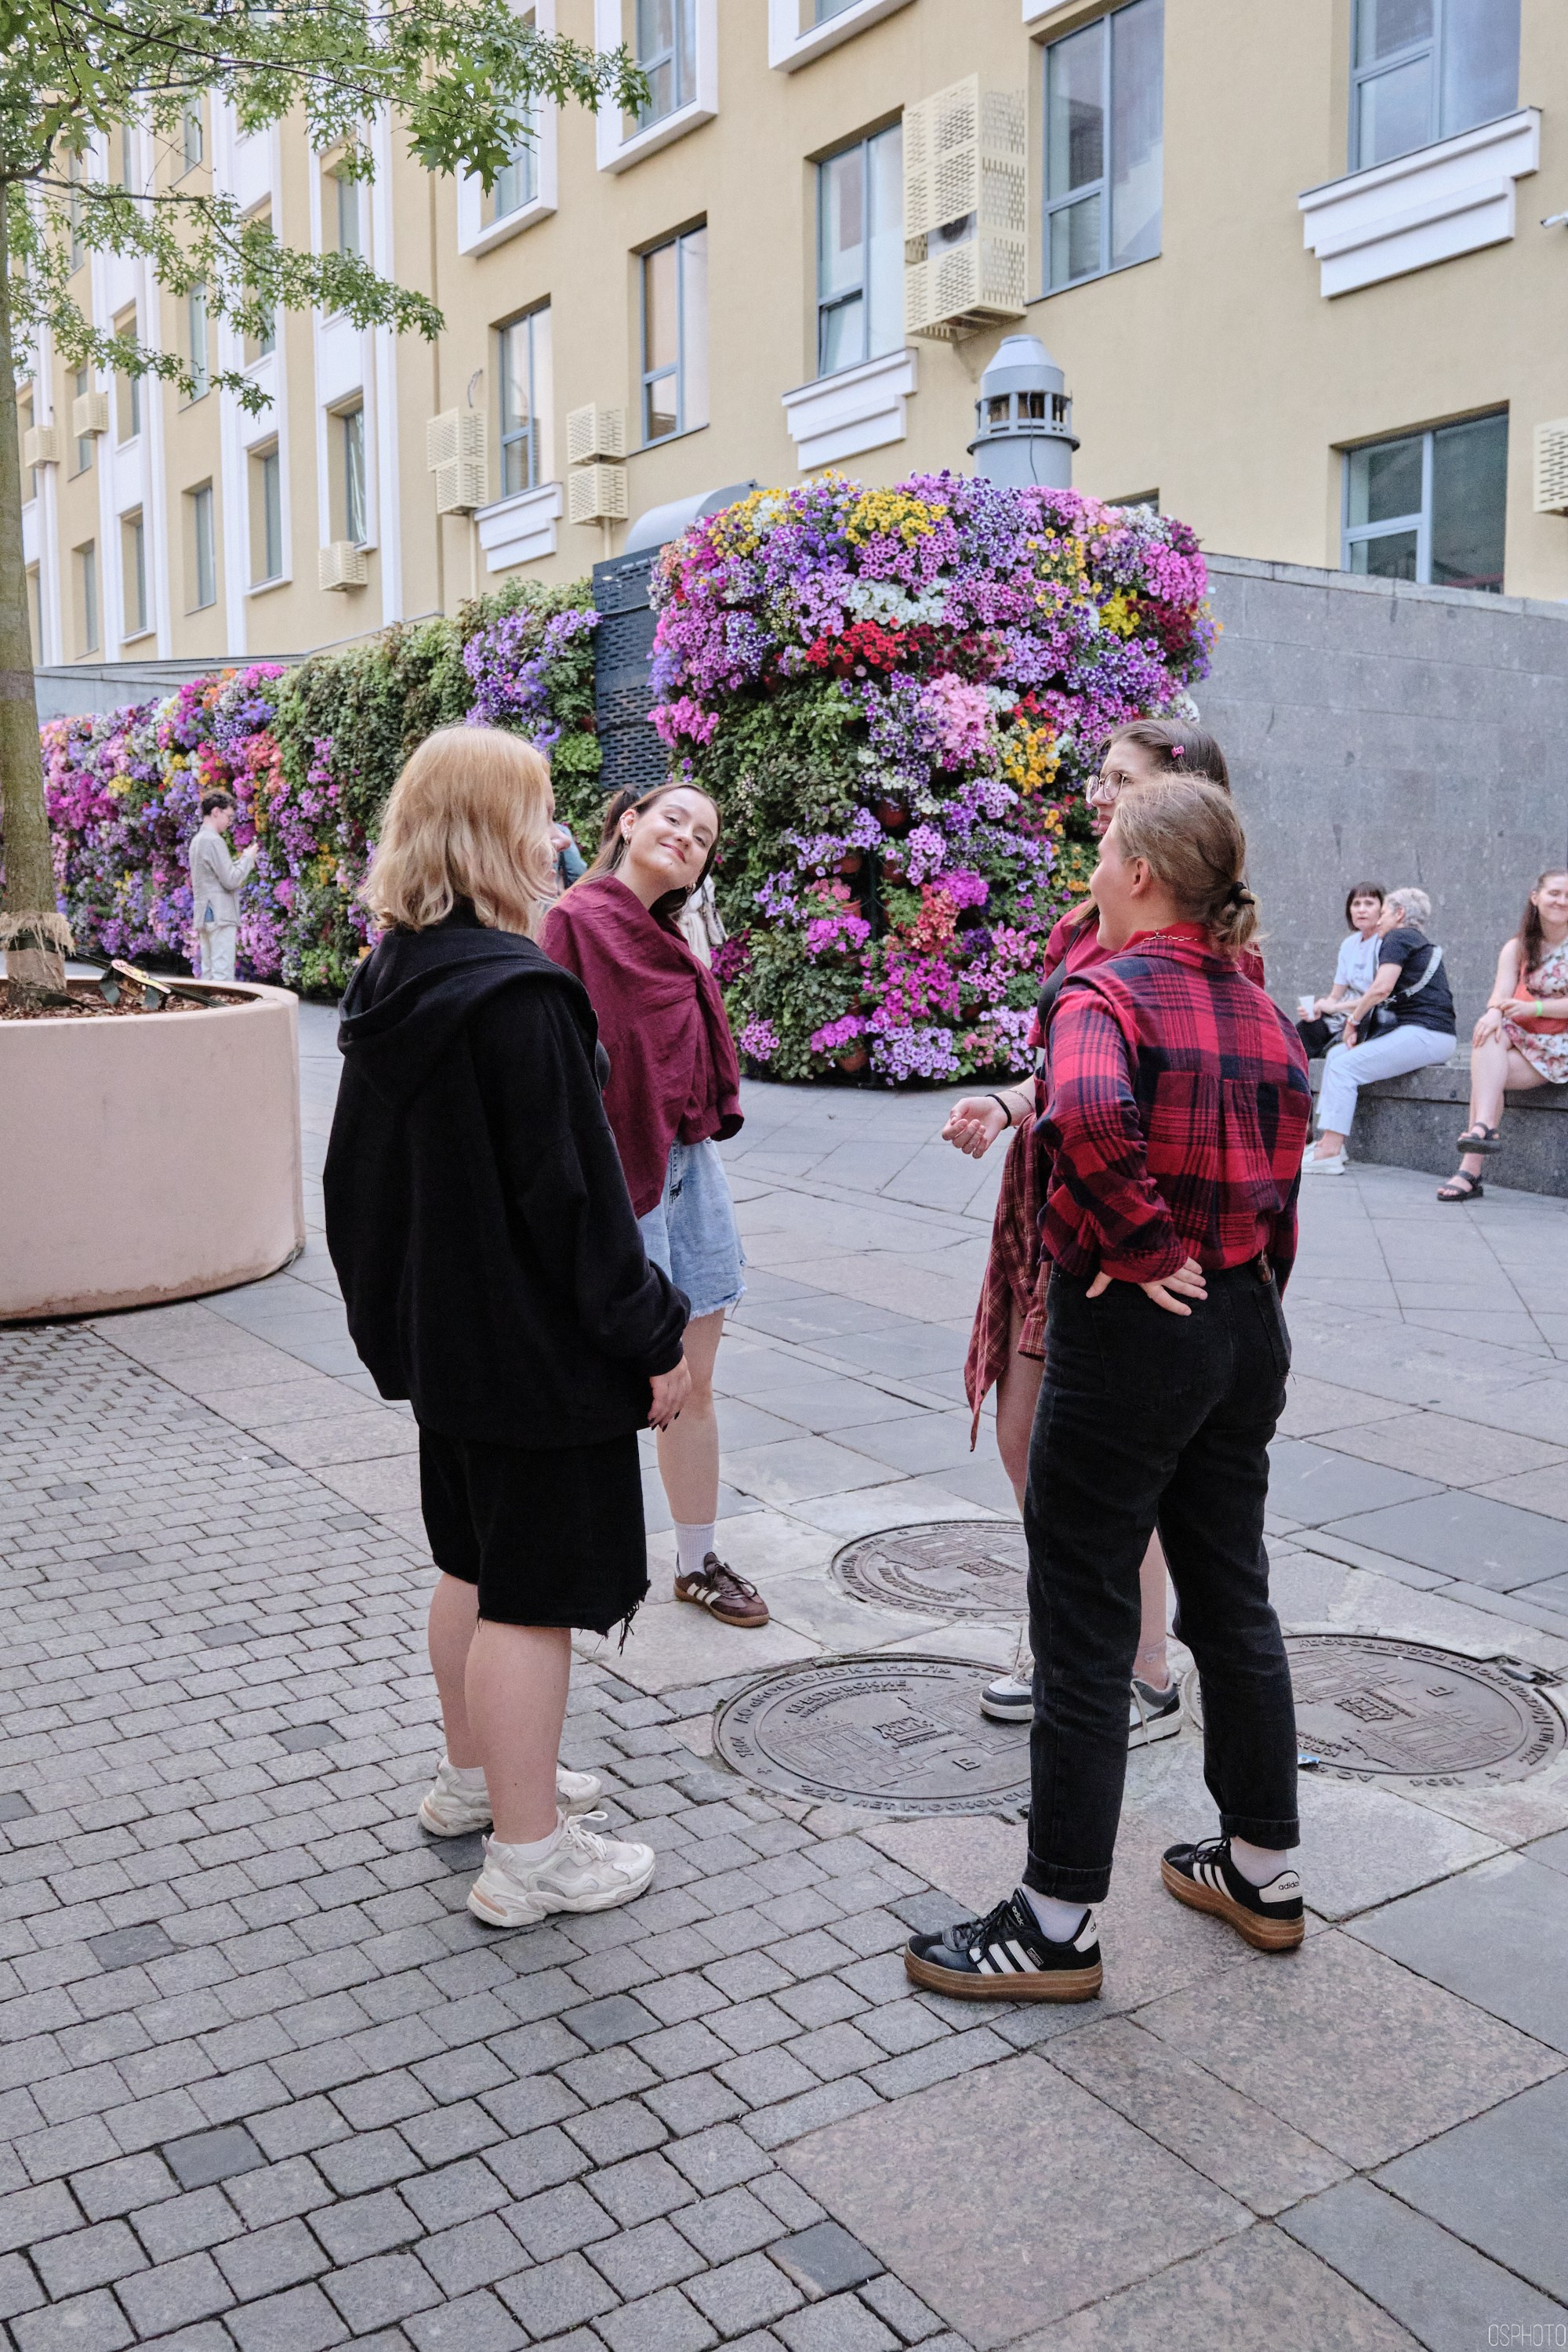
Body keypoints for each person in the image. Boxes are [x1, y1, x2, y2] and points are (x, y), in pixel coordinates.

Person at [906, 778, 1311, 2003]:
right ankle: (1262, 1873)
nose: (1090, 865)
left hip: (1138, 1326)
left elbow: (1082, 1110)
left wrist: (1140, 1247)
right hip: (1241, 1325)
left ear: (1141, 874)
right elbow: (1287, 1158)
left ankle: (1056, 1920)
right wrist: (1238, 1270)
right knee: (1232, 1599)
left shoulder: (1107, 990)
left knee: (1081, 1623)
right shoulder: (1260, 1006)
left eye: (1100, 849)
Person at [324, 727, 690, 1929]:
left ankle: (477, 1780)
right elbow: (580, 1211)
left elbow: (352, 1187)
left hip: (452, 1350)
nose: (556, 838)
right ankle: (531, 1856)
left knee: (473, 1566)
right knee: (529, 1599)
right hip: (535, 1357)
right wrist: (655, 1338)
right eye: (538, 815)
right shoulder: (521, 998)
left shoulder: (394, 980)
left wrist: (397, 1333)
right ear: (492, 833)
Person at [944, 717, 1237, 1740]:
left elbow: (1170, 1089)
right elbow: (1076, 1064)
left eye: (1123, 782)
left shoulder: (1209, 938)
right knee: (1030, 1437)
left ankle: (1139, 1661)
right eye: (1103, 778)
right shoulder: (1094, 910)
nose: (1099, 796)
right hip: (1053, 1199)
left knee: (1111, 1459)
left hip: (1120, 1223)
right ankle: (1071, 1629)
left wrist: (1147, 1237)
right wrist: (1014, 1107)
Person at [543, 782, 768, 1631]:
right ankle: (578, 1566)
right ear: (628, 822)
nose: (686, 835)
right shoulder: (573, 920)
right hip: (615, 1176)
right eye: (673, 816)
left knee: (697, 1384)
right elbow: (560, 1061)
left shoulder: (669, 937)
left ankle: (695, 1561)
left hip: (687, 1166)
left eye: (703, 835)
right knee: (622, 1384)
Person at [1303, 886, 1456, 1174]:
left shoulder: (1397, 937)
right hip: (1429, 1035)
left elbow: (1381, 988)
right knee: (1337, 1057)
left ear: (1399, 914)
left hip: (1426, 1033)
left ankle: (1330, 1152)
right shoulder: (1416, 940)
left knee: (1345, 1066)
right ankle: (1328, 1142)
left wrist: (1353, 1020)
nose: (1380, 919)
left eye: (1383, 912)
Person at [1439, 868, 1568, 1201]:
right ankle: (1483, 1128)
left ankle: (1470, 1167)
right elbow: (1500, 995)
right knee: (1489, 1033)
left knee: (1486, 1068)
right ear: (1535, 897)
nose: (1562, 901)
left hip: (1560, 1047)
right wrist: (1495, 1012)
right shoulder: (1517, 947)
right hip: (1521, 1039)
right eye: (1555, 893)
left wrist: (1535, 1009)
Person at [1294, 883, 1386, 1058]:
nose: (1361, 910)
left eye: (1369, 903)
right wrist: (1317, 1009)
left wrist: (1335, 1007)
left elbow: (1379, 996)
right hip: (1342, 1013)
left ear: (1382, 910)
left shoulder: (1386, 943)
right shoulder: (1349, 945)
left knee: (1332, 1048)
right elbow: (1335, 995)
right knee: (1301, 1033)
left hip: (1370, 1015)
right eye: (1356, 904)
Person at [188, 789, 256, 982]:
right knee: (222, 974)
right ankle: (222, 1011)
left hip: (205, 913)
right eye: (229, 816)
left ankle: (208, 1011)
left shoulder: (197, 840)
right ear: (216, 811)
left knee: (208, 971)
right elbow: (231, 880)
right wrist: (247, 859)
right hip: (220, 914)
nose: (229, 822)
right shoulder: (213, 841)